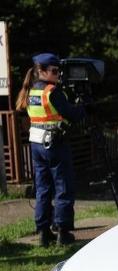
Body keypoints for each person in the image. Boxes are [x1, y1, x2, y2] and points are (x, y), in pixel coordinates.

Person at [15, 53, 85, 246]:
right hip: (55, 145)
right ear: (41, 71)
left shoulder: (30, 91)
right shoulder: (51, 92)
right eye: (54, 71)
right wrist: (82, 106)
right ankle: (63, 232)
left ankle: (44, 232)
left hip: (37, 146)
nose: (57, 74)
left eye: (58, 71)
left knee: (43, 189)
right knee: (63, 187)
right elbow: (71, 114)